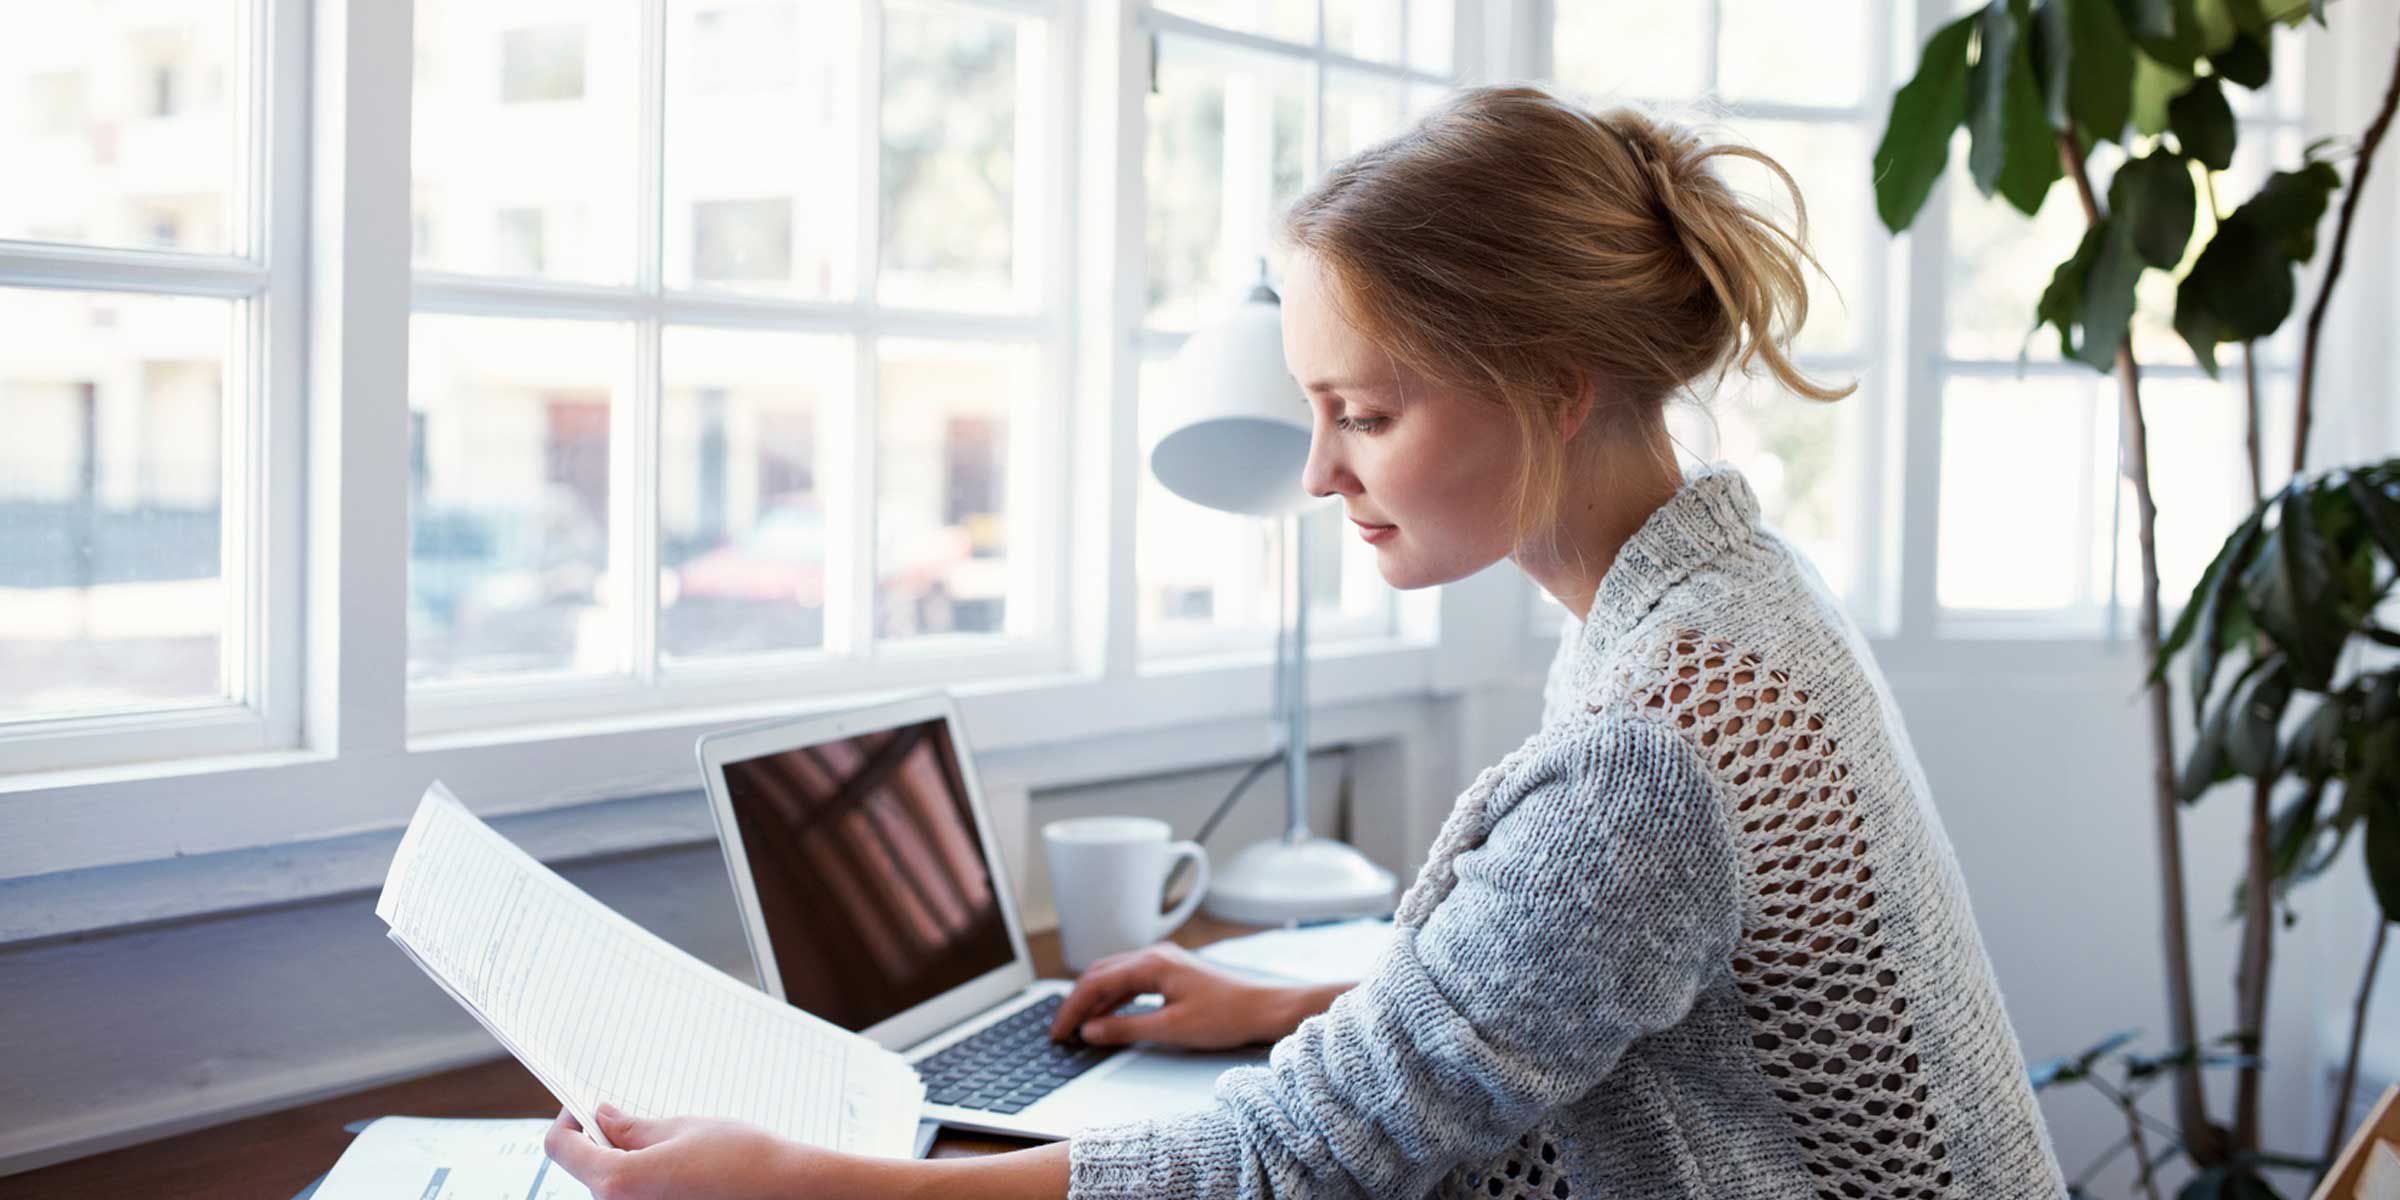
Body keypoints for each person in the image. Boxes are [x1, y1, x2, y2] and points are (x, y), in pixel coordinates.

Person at [543, 82, 2070, 1200]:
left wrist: (817, 1193)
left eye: (1366, 413)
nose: (1324, 471)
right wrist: (1290, 1006)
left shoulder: (1653, 750)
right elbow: (1580, 991)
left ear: (1556, 380)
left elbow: (1306, 1160)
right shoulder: (1721, 595)